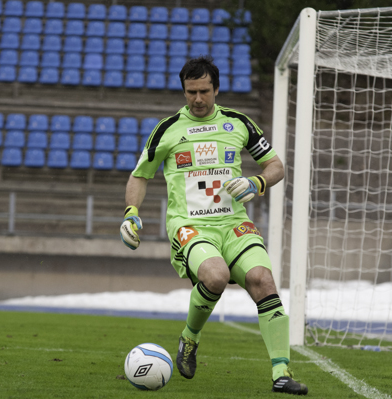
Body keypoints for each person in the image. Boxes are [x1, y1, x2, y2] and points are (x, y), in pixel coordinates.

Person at [119, 56, 308, 395]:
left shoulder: (239, 123)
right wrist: (131, 211)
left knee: (262, 280)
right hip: (191, 226)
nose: (198, 99)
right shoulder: (167, 129)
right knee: (216, 275)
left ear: (216, 89)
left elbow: (276, 166)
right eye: (191, 92)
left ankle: (281, 372)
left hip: (234, 223)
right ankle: (190, 338)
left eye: (204, 91)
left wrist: (257, 183)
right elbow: (140, 176)